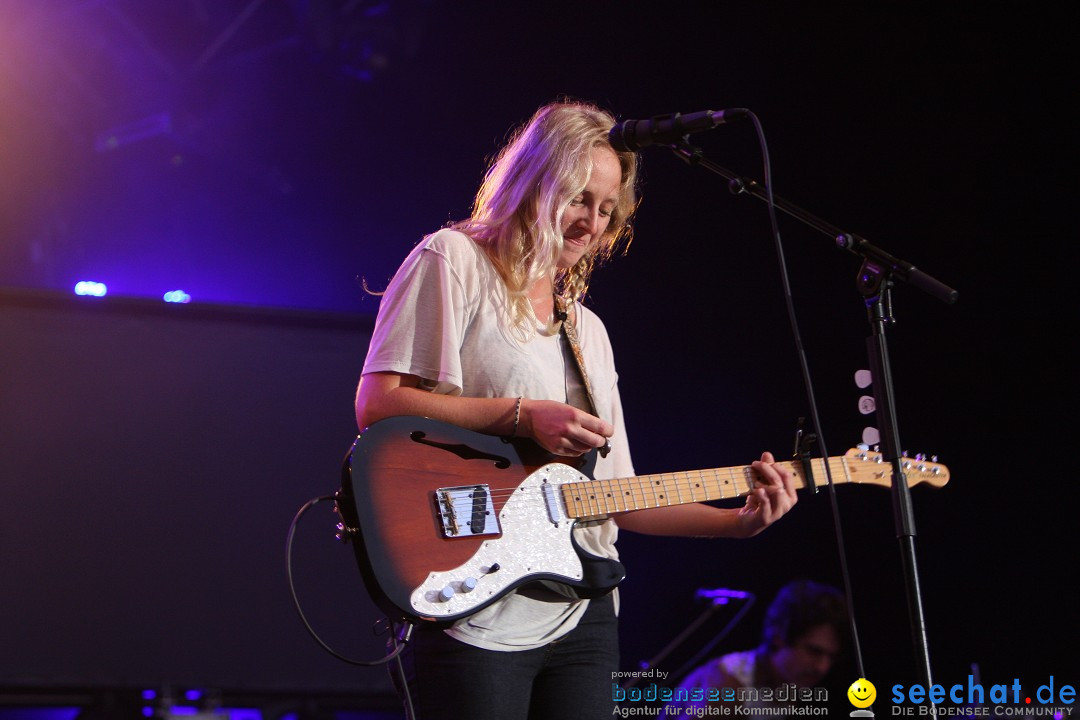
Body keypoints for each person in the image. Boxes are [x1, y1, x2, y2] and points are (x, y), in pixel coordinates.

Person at [354, 99, 799, 720]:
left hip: (583, 614)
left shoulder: (587, 330)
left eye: (607, 208)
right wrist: (521, 416)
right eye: (578, 198)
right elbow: (380, 405)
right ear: (534, 183)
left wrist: (737, 523)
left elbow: (620, 494)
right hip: (472, 602)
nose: (592, 222)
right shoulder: (452, 261)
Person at [663, 580, 848, 716]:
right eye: (814, 651)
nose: (822, 668)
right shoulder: (724, 688)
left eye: (831, 657)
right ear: (778, 637)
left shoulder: (789, 685)